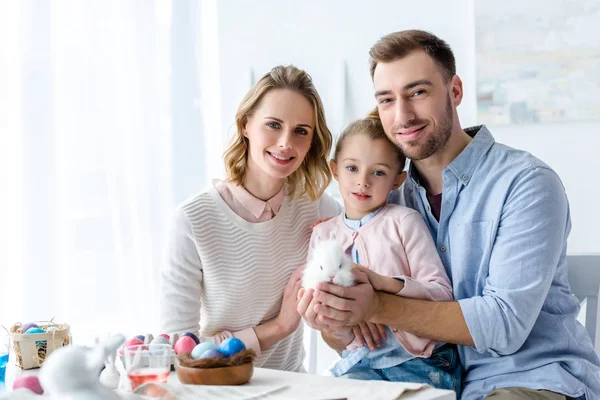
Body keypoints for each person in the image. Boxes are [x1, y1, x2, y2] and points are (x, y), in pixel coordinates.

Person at [298, 30, 600, 399]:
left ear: (455, 91)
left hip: (527, 380)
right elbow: (361, 337)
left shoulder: (526, 183)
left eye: (418, 92)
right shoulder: (386, 200)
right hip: (424, 383)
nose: (403, 115)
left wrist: (378, 305)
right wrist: (332, 318)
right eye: (387, 100)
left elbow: (504, 324)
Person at [160, 65, 342, 372]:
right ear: (246, 124)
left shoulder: (321, 211)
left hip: (292, 390)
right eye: (273, 125)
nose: (286, 142)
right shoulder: (192, 220)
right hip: (218, 388)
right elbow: (180, 353)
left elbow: (349, 329)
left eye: (301, 131)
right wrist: (279, 327)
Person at [306, 117, 460, 392]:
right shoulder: (323, 234)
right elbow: (317, 309)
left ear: (397, 180)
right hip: (359, 364)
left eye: (378, 172)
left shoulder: (404, 222)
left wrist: (381, 286)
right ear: (335, 170)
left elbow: (442, 294)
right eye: (352, 168)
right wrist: (345, 316)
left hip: (420, 362)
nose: (362, 182)